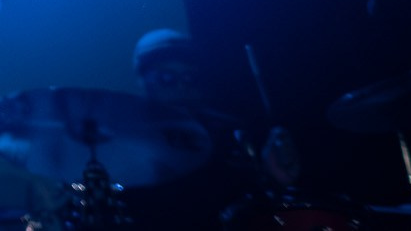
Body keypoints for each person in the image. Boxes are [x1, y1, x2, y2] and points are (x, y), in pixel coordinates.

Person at [122, 29, 300, 231]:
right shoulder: (124, 144)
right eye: (167, 78)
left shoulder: (228, 132)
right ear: (142, 81)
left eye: (190, 78)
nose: (181, 86)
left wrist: (275, 179)